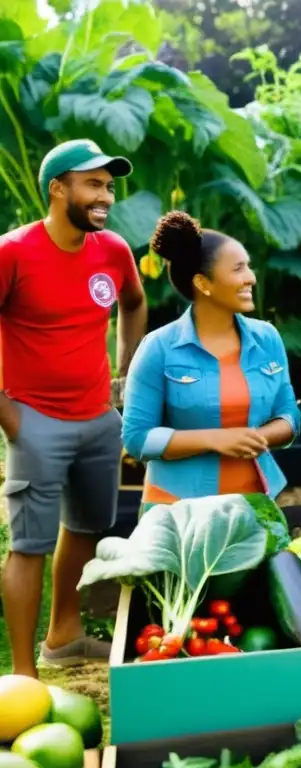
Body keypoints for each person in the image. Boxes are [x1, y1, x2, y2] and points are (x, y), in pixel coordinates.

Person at [0, 139, 148, 677]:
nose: (105, 195)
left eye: (108, 185)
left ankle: (62, 638)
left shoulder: (112, 251)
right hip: (34, 419)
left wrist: (124, 374)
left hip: (96, 420)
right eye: (92, 184)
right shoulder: (13, 252)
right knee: (29, 545)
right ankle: (21, 676)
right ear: (57, 188)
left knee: (85, 528)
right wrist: (9, 416)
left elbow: (133, 304)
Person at [121, 211, 301, 511]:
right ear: (203, 283)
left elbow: (290, 416)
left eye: (249, 267)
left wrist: (257, 437)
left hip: (256, 505)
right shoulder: (159, 348)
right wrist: (215, 439)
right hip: (177, 510)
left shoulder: (266, 337)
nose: (251, 278)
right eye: (238, 269)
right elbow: (137, 439)